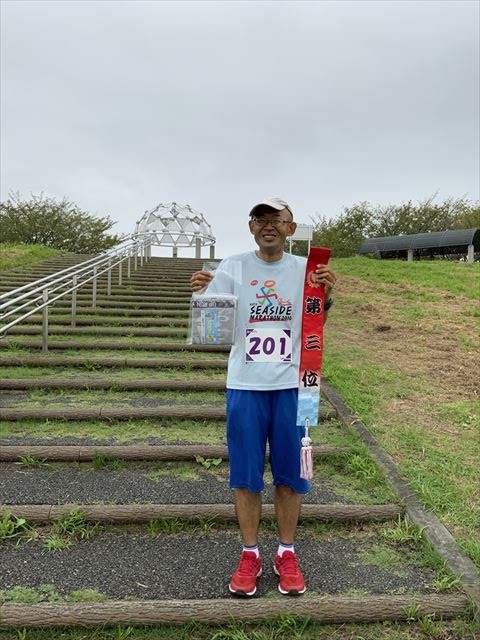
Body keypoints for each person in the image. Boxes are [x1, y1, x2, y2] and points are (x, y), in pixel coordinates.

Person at [190, 197, 336, 597]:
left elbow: (317, 323)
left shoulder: (308, 269)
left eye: (277, 218)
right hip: (245, 385)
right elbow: (212, 328)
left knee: (291, 476)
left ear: (291, 228)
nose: (268, 224)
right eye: (260, 218)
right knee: (246, 475)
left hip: (295, 386)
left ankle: (286, 552)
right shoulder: (232, 266)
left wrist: (326, 295)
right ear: (251, 226)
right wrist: (204, 296)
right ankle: (250, 554)